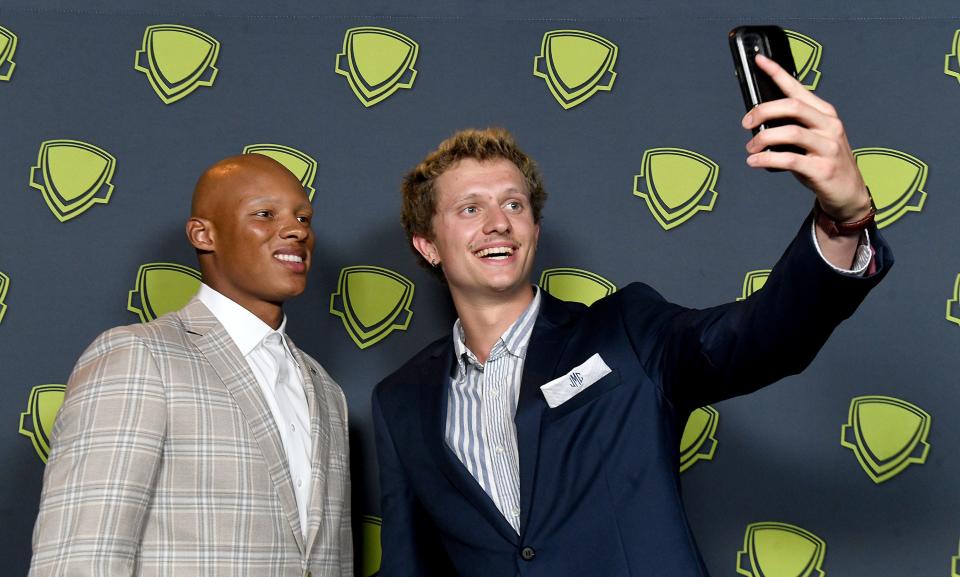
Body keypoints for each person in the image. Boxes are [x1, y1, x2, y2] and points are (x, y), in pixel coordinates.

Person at [372, 55, 892, 576]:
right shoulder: (400, 400)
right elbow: (407, 562)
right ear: (428, 244)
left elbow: (758, 338)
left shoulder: (626, 330)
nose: (497, 224)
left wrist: (842, 222)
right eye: (470, 209)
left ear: (534, 227)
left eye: (514, 205)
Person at [29, 154, 352, 577]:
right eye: (264, 214)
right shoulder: (140, 358)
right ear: (204, 234)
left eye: (303, 218)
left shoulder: (325, 389)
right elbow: (80, 557)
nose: (295, 230)